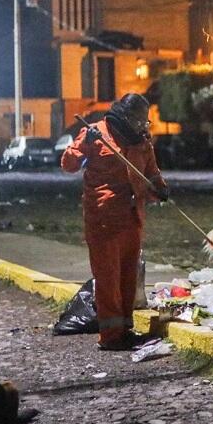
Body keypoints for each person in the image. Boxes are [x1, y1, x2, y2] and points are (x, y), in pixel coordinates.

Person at [61, 94, 168, 350]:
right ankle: (110, 336)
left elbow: (151, 172)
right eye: (139, 120)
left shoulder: (141, 141)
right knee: (108, 279)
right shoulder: (96, 133)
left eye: (145, 120)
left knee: (128, 278)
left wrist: (160, 189)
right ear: (126, 117)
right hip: (104, 219)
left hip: (132, 218)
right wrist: (82, 145)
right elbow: (68, 164)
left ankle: (125, 328)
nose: (143, 125)